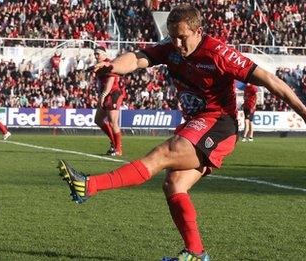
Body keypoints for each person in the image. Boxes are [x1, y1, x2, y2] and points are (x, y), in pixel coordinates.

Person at [57, 4, 306, 261]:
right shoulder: (170, 48)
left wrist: (304, 112)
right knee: (174, 184)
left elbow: (270, 80)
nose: (176, 43)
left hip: (218, 124)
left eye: (182, 37)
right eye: (172, 36)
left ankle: (89, 186)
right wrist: (113, 66)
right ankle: (196, 253)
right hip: (197, 122)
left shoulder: (218, 53)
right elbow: (137, 58)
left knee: (164, 153)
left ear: (198, 32)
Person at [93, 46, 124, 156]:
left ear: (104, 54)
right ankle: (114, 143)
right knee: (98, 120)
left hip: (113, 94)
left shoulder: (109, 64)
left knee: (112, 122)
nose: (96, 56)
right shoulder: (100, 66)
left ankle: (118, 149)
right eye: (95, 54)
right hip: (106, 95)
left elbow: (111, 80)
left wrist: (104, 94)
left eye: (98, 54)